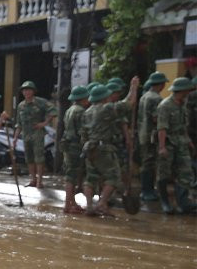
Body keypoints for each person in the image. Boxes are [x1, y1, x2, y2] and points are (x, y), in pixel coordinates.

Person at [81, 77, 140, 216]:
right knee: (113, 177)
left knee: (90, 178)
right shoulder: (106, 108)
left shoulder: (87, 112)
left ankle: (89, 206)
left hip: (89, 147)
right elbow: (129, 103)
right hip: (103, 148)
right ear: (104, 97)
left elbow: (83, 133)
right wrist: (134, 87)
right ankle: (102, 203)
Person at [155, 77, 195, 214]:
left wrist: (189, 141)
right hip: (168, 143)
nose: (189, 92)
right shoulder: (165, 105)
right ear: (182, 90)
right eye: (187, 90)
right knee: (163, 174)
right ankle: (165, 202)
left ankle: (183, 203)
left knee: (185, 172)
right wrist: (162, 147)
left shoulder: (182, 104)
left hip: (181, 143)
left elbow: (183, 126)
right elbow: (162, 128)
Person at [13, 80, 57, 188]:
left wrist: (44, 123)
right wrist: (15, 137)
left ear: (33, 91)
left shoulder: (40, 102)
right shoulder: (21, 106)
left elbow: (53, 111)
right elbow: (19, 123)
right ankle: (33, 179)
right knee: (29, 157)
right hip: (26, 134)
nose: (26, 92)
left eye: (28, 90)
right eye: (24, 90)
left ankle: (39, 181)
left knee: (39, 158)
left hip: (37, 133)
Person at [138, 72, 168, 201]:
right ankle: (148, 191)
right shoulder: (156, 98)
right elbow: (156, 118)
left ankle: (146, 190)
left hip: (143, 133)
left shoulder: (144, 96)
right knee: (150, 163)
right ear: (160, 85)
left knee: (146, 162)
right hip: (152, 135)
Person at [60, 86, 90, 214]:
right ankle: (68, 205)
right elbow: (83, 132)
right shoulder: (81, 112)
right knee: (71, 176)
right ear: (83, 99)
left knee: (70, 174)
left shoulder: (69, 110)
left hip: (67, 145)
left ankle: (72, 203)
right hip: (75, 146)